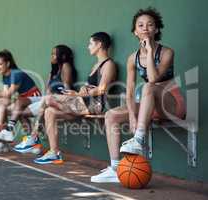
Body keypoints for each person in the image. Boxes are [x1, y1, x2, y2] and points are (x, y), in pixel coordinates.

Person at [91, 8, 186, 183]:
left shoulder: (167, 52)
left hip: (171, 104)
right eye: (140, 25)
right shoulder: (132, 59)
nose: (145, 28)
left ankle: (138, 139)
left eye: (150, 25)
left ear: (156, 30)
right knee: (111, 115)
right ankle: (115, 167)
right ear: (135, 31)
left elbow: (153, 78)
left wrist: (149, 52)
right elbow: (129, 91)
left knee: (149, 87)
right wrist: (133, 117)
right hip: (147, 107)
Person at [33, 32, 117, 164]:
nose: (88, 47)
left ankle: (34, 134)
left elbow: (102, 89)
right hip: (82, 104)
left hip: (95, 106)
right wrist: (82, 89)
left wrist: (78, 94)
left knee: (48, 99)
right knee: (49, 112)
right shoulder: (95, 65)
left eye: (90, 43)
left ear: (99, 44)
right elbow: (90, 87)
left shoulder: (109, 64)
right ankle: (54, 152)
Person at [12, 44, 77, 154]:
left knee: (30, 109)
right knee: (19, 108)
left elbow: (67, 88)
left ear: (62, 56)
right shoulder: (53, 71)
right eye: (51, 54)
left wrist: (63, 98)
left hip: (59, 98)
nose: (51, 56)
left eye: (54, 54)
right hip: (47, 97)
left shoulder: (66, 66)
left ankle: (33, 137)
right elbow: (47, 90)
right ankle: (32, 139)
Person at [0, 49, 41, 153]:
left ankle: (6, 133)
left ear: (7, 63)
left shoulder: (16, 74)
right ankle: (1, 138)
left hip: (35, 99)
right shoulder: (5, 76)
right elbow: (5, 97)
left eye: (0, 64)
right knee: (1, 102)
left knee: (16, 106)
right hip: (23, 101)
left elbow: (8, 94)